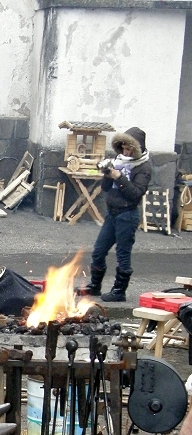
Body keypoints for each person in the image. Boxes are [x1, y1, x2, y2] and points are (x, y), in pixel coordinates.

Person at [79, 127, 151, 303]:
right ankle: (94, 286)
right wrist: (107, 173)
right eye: (124, 148)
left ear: (137, 149)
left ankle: (119, 291)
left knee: (123, 255)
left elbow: (135, 194)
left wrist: (119, 177)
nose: (126, 152)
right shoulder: (119, 160)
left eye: (130, 149)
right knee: (98, 251)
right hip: (112, 214)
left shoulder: (144, 166)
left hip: (128, 215)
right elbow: (104, 188)